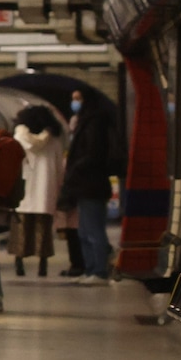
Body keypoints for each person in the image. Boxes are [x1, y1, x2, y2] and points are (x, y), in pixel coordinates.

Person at [59, 87, 119, 284]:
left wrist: (75, 168)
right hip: (85, 184)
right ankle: (91, 269)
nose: (75, 103)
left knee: (93, 231)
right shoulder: (87, 121)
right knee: (84, 231)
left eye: (78, 99)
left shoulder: (95, 122)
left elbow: (93, 153)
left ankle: (100, 271)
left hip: (91, 183)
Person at [10, 105, 63, 276]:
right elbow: (59, 167)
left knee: (21, 229)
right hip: (45, 191)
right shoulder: (54, 140)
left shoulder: (18, 137)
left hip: (23, 189)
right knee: (43, 230)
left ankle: (19, 263)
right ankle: (42, 265)